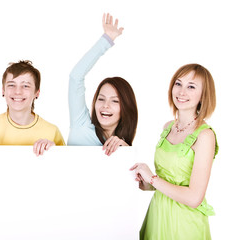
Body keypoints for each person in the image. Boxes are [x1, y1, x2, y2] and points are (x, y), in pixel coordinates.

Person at [130, 63, 218, 239]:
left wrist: (153, 179)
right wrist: (146, 183)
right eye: (178, 84)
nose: (181, 92)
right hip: (157, 214)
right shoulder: (167, 127)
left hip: (184, 223)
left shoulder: (205, 136)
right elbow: (167, 182)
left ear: (203, 95)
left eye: (191, 86)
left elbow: (194, 198)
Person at [68, 13, 138, 156]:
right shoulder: (81, 124)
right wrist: (106, 40)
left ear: (125, 108)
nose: (105, 105)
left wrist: (125, 152)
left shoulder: (123, 146)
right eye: (101, 99)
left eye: (115, 101)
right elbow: (76, 77)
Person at [0, 60, 65, 156]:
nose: (17, 92)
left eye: (25, 86)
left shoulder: (52, 132)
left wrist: (54, 153)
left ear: (37, 92)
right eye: (11, 85)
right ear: (3, 90)